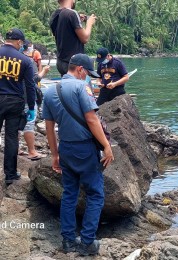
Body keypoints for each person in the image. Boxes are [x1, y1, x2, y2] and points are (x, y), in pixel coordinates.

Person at [42, 54, 114, 255]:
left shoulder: (49, 91)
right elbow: (92, 120)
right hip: (85, 149)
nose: (87, 78)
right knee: (95, 194)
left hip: (65, 148)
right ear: (80, 69)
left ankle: (67, 241)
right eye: (87, 74)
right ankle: (87, 242)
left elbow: (49, 128)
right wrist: (106, 146)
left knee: (69, 194)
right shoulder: (81, 87)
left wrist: (55, 155)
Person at [0, 28, 37, 185]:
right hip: (15, 101)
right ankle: (10, 174)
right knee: (11, 137)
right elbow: (30, 86)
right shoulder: (25, 60)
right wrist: (31, 108)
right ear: (19, 42)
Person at [49, 0, 97, 76]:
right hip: (74, 64)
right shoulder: (72, 13)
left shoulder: (54, 15)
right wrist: (89, 23)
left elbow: (66, 31)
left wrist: (77, 19)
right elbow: (85, 38)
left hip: (61, 62)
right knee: (79, 86)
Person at [20, 49, 51, 161]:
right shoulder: (28, 61)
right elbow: (34, 79)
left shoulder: (11, 59)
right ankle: (32, 151)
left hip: (14, 98)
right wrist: (44, 71)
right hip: (27, 98)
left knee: (15, 124)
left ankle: (16, 149)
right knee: (29, 124)